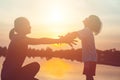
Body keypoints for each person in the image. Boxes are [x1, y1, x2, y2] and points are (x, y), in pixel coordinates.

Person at [1, 17, 73, 80]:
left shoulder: (16, 37)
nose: (30, 26)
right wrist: (61, 40)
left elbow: (11, 35)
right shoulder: (20, 39)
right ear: (22, 27)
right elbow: (41, 40)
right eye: (28, 24)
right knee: (35, 66)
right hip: (10, 76)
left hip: (8, 75)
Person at [62, 15, 102, 80]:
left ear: (90, 22)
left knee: (88, 76)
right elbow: (77, 34)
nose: (86, 18)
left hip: (89, 58)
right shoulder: (87, 31)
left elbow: (75, 34)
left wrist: (65, 38)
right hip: (90, 58)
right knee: (89, 76)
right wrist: (67, 37)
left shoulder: (87, 30)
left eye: (88, 18)